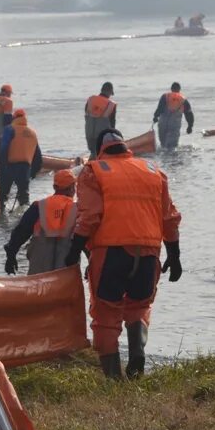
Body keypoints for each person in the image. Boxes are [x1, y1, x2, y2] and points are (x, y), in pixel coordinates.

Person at [65, 129, 182, 379]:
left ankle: (114, 381)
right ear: (124, 146)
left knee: (106, 314)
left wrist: (73, 252)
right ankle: (137, 351)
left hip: (111, 253)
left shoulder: (93, 172)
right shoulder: (153, 171)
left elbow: (90, 217)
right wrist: (174, 254)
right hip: (149, 253)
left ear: (100, 150)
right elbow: (169, 217)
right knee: (139, 306)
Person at [3, 169, 77, 275]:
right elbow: (85, 239)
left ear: (54, 187)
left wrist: (11, 256)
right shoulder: (78, 209)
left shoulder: (38, 206)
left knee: (35, 290)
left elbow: (20, 234)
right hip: (65, 271)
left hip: (39, 270)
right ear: (72, 188)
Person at [0, 108, 42, 208]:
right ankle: (24, 217)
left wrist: (1, 166)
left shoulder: (9, 129)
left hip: (9, 167)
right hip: (25, 168)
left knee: (3, 196)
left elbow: (4, 148)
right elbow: (38, 156)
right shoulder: (32, 133)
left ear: (14, 118)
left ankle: (2, 220)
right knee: (24, 197)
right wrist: (33, 173)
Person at [153, 82, 195, 149]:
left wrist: (155, 117)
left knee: (163, 146)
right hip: (174, 125)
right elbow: (189, 114)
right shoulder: (183, 99)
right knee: (172, 147)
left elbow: (159, 109)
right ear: (179, 89)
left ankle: (163, 158)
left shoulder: (165, 96)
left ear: (171, 88)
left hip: (162, 123)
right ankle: (172, 159)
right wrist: (190, 126)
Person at [84, 82, 117, 160]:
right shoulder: (111, 104)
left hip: (89, 132)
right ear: (109, 91)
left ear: (101, 90)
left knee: (93, 152)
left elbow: (86, 113)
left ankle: (90, 165)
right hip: (102, 134)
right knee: (101, 153)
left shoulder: (91, 99)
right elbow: (112, 123)